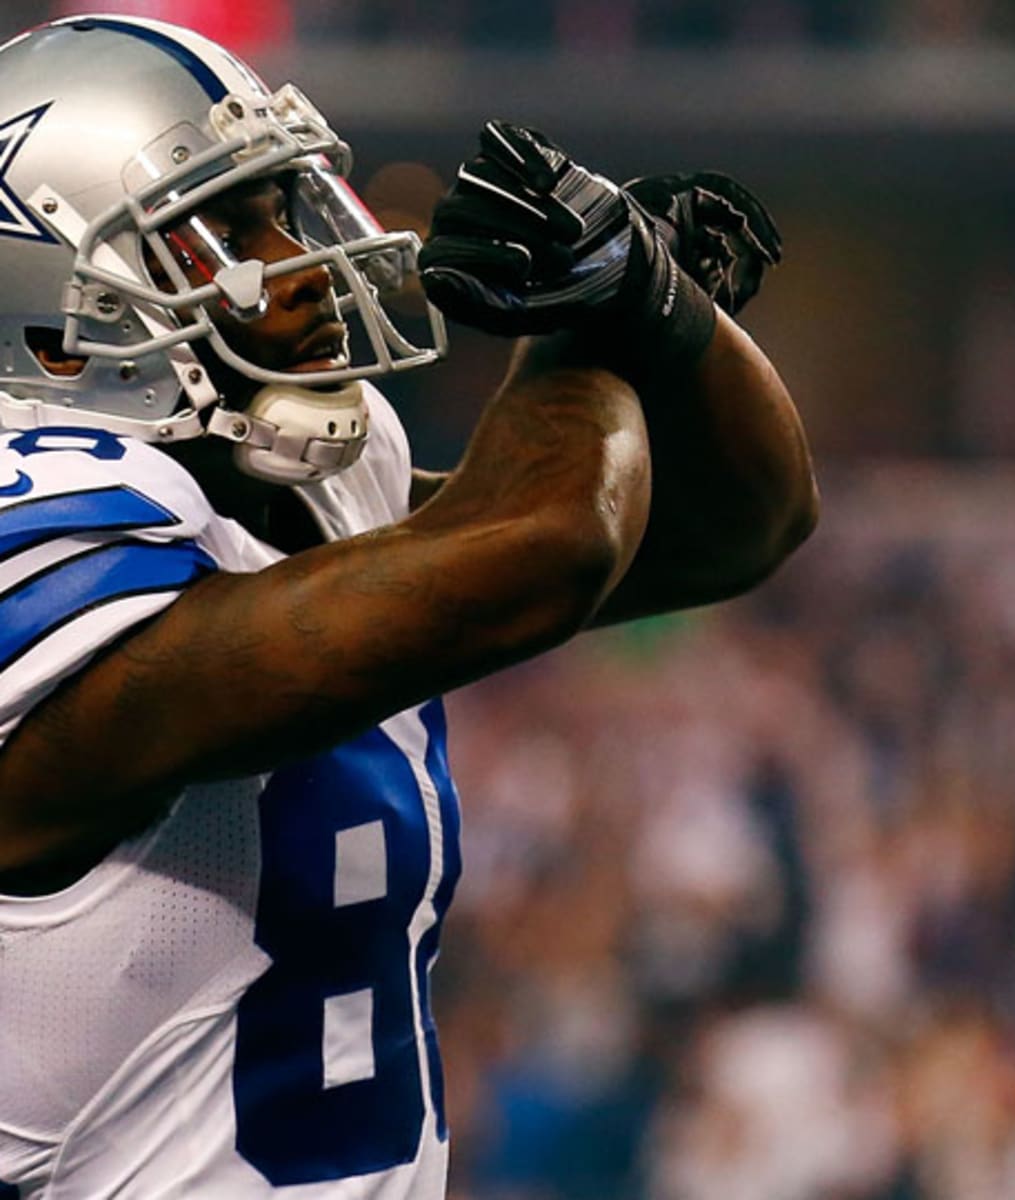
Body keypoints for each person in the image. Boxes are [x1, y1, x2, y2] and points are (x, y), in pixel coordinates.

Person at [0, 14, 816, 1200]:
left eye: (282, 206)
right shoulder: (50, 548)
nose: (295, 257)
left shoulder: (312, 480)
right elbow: (542, 543)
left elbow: (732, 528)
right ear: (61, 327)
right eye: (222, 232)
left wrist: (664, 312)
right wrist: (592, 315)